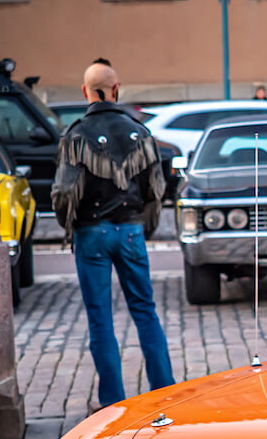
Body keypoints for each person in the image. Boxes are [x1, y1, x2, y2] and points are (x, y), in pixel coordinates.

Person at [51, 61, 175, 410]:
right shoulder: (141, 133)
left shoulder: (76, 135)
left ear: (85, 91)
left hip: (91, 233)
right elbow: (156, 188)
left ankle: (112, 403)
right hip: (131, 229)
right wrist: (142, 225)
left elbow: (63, 192)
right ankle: (164, 393)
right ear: (116, 88)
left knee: (100, 317)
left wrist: (69, 225)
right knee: (145, 311)